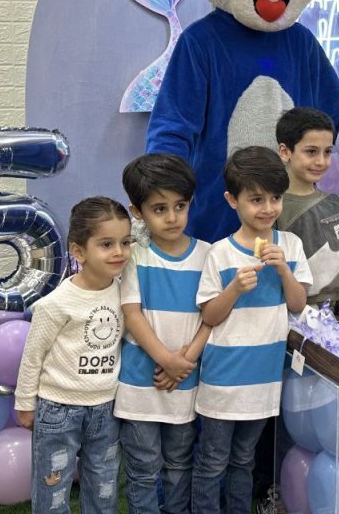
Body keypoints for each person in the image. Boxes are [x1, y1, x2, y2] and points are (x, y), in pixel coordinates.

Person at [192, 146, 312, 514]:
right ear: (233, 200)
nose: (268, 208)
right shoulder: (220, 253)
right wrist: (234, 289)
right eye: (256, 199)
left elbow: (298, 304)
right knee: (212, 461)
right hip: (223, 381)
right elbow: (210, 315)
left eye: (275, 198)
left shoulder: (290, 245)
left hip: (264, 380)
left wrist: (284, 271)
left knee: (244, 460)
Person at [14, 197, 132, 514]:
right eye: (106, 244)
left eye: (125, 242)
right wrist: (25, 403)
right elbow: (33, 356)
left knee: (104, 487)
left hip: (107, 408)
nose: (119, 252)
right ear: (79, 251)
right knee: (52, 489)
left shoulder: (125, 293)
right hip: (58, 409)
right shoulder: (56, 303)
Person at [116, 154, 211, 514]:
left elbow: (212, 317)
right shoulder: (134, 256)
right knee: (142, 469)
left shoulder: (208, 255)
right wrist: (167, 360)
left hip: (184, 382)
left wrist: (183, 362)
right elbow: (132, 314)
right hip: (139, 384)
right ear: (137, 212)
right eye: (159, 209)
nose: (172, 217)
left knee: (179, 464)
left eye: (180, 206)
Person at [276, 107, 339, 312]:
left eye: (327, 152)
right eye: (311, 151)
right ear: (285, 152)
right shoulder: (273, 208)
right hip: (292, 314)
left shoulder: (334, 203)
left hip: (336, 313)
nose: (321, 161)